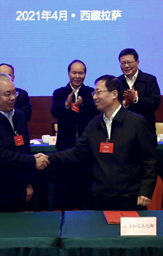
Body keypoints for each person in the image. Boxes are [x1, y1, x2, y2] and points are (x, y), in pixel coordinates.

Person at [47, 75, 157, 211]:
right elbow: (76, 153)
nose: (94, 97)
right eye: (94, 93)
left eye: (98, 92)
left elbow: (150, 159)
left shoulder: (137, 123)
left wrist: (146, 190)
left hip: (130, 198)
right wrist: (47, 158)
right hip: (100, 198)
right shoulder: (93, 125)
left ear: (114, 94)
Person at [0, 73, 48, 212]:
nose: (13, 98)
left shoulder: (19, 115)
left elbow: (25, 150)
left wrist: (29, 182)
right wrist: (34, 161)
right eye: (7, 94)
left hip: (18, 192)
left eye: (14, 93)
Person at [50, 60, 99, 209]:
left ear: (85, 74)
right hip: (65, 146)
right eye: (74, 73)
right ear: (68, 74)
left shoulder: (91, 92)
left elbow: (97, 110)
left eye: (81, 73)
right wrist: (66, 104)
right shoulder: (59, 92)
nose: (77, 76)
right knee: (65, 186)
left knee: (85, 185)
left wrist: (83, 103)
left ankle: (87, 216)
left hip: (87, 147)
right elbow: (54, 112)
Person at [116, 48, 161, 133]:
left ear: (137, 62)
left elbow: (155, 103)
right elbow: (112, 106)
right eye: (123, 63)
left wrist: (136, 99)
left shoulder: (149, 80)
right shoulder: (117, 82)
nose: (126, 66)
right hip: (122, 130)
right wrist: (125, 103)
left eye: (129, 62)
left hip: (145, 129)